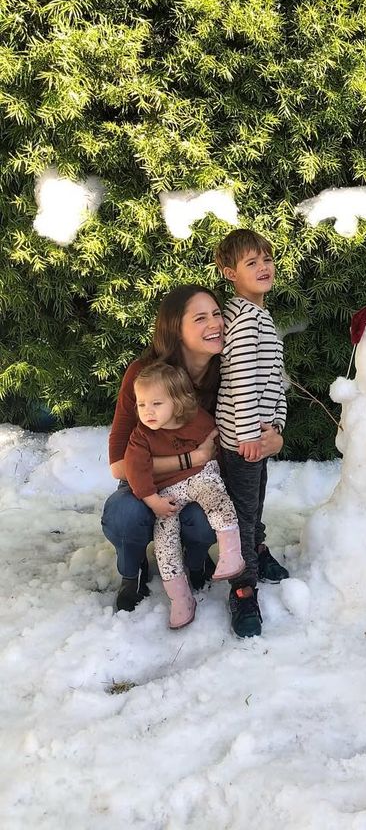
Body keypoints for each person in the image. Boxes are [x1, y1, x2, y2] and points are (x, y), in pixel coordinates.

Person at [102, 284, 283, 613]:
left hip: (200, 484)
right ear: (175, 329)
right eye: (200, 318)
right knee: (124, 514)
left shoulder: (231, 374)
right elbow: (118, 465)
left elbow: (261, 420)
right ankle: (133, 569)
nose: (215, 324)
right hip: (146, 484)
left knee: (207, 517)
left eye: (217, 314)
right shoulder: (145, 376)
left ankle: (196, 559)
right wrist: (191, 457)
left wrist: (276, 438)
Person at [125, 362, 246, 628]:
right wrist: (153, 501)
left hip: (201, 476)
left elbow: (219, 440)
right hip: (167, 492)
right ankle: (180, 598)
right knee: (164, 539)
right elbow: (134, 469)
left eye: (156, 403)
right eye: (142, 404)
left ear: (178, 402)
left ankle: (231, 553)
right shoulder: (141, 435)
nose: (148, 411)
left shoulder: (197, 420)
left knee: (216, 497)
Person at [215, 229, 289, 638]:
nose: (263, 267)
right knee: (242, 514)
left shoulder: (258, 314)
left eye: (267, 259)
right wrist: (247, 435)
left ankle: (256, 549)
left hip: (258, 437)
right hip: (242, 441)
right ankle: (242, 588)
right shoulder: (244, 320)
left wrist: (276, 425)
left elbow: (274, 380)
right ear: (231, 273)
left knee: (255, 502)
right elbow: (241, 381)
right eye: (251, 263)